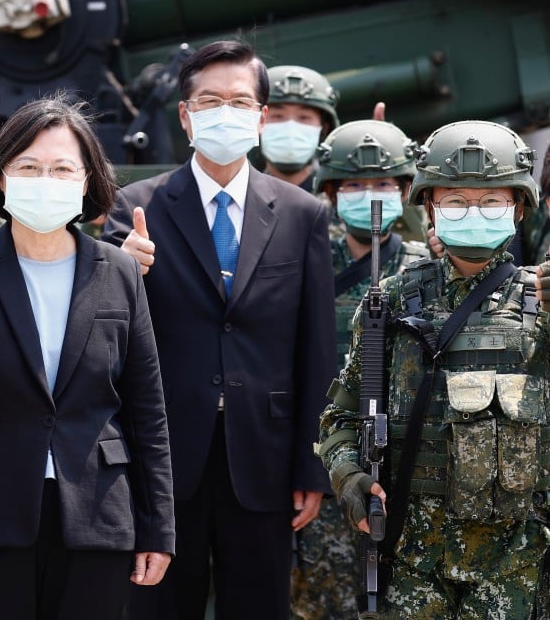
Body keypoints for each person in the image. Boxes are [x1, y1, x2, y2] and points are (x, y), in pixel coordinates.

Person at [0, 95, 175, 619]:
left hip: (96, 516)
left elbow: (147, 409)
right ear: (2, 178)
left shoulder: (119, 271)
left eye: (62, 169)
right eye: (29, 167)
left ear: (86, 180)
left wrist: (158, 527)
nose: (45, 180)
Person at [102, 38, 336, 620]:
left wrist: (312, 464)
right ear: (185, 116)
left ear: (260, 117)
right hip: (161, 459)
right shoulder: (136, 207)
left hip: (264, 457)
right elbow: (103, 337)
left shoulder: (303, 214)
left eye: (239, 101)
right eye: (209, 102)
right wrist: (117, 272)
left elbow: (315, 350)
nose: (223, 113)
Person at [320, 119, 550, 618]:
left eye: (492, 201)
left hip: (518, 567)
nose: (474, 212)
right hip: (412, 564)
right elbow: (340, 418)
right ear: (429, 208)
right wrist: (349, 477)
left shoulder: (542, 302)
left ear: (519, 208)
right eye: (456, 200)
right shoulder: (389, 302)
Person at [290, 120, 428, 620]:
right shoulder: (301, 257)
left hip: (401, 470)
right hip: (322, 464)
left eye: (384, 183)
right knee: (320, 603)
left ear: (405, 189)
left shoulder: (423, 268)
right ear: (330, 191)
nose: (370, 195)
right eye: (353, 184)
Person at [258, 64, 339, 193]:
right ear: (258, 122)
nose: (290, 128)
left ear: (324, 128)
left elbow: (374, 208)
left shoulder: (343, 195)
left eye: (304, 117)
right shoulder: (238, 195)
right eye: (278, 116)